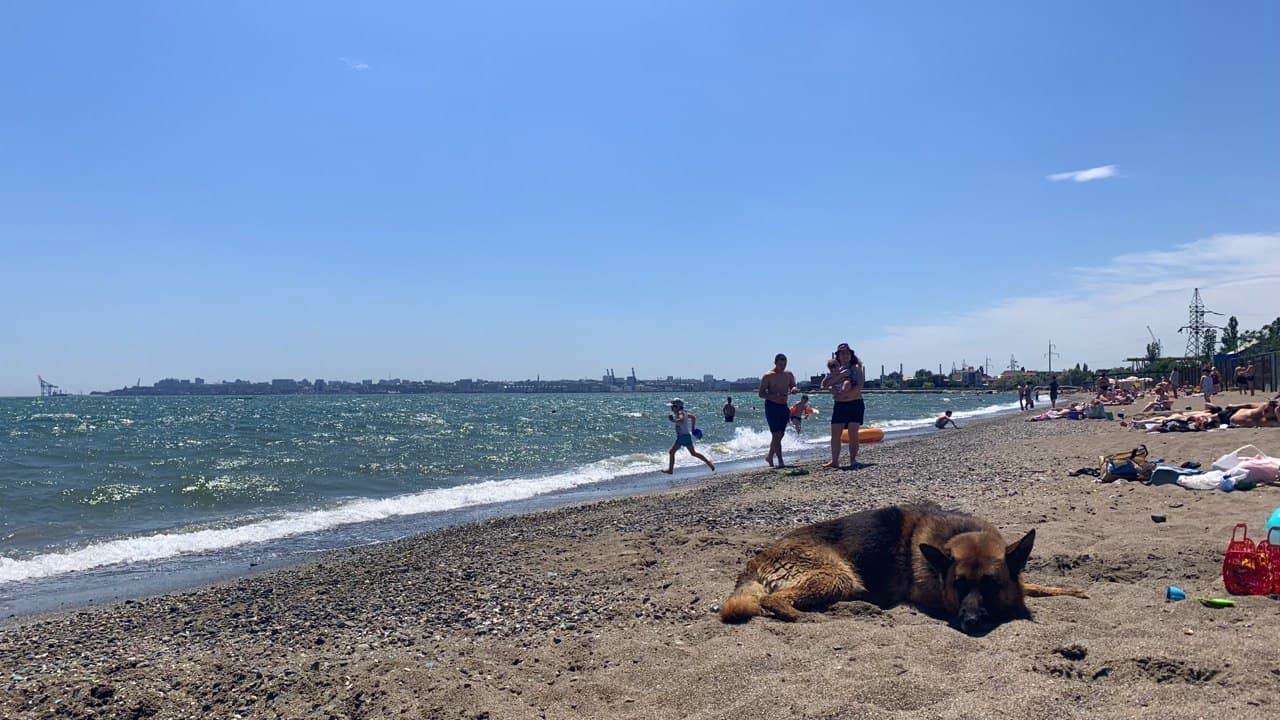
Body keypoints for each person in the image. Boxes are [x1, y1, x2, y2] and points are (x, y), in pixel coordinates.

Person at [821, 343, 866, 470]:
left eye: (847, 353)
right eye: (842, 353)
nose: (845, 355)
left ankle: (853, 460)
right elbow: (826, 384)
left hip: (855, 403)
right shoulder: (835, 369)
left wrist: (846, 396)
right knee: (835, 433)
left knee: (853, 432)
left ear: (851, 354)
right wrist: (839, 377)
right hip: (840, 405)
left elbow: (859, 386)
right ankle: (834, 460)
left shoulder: (857, 367)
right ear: (838, 356)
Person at [758, 353, 798, 468]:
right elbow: (761, 393)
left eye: (784, 364)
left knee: (780, 435)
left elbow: (792, 386)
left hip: (783, 407)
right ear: (775, 363)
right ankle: (780, 461)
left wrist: (794, 389)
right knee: (776, 434)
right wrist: (774, 396)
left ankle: (770, 456)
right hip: (771, 407)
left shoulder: (788, 374)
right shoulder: (768, 376)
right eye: (780, 364)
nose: (783, 366)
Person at [662, 398, 714, 474]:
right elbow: (693, 417)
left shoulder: (680, 413)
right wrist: (693, 428)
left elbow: (681, 420)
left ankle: (670, 470)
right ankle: (708, 462)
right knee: (693, 453)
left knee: (672, 452)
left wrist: (673, 420)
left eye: (673, 406)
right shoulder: (684, 412)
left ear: (677, 407)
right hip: (686, 436)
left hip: (682, 437)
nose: (671, 408)